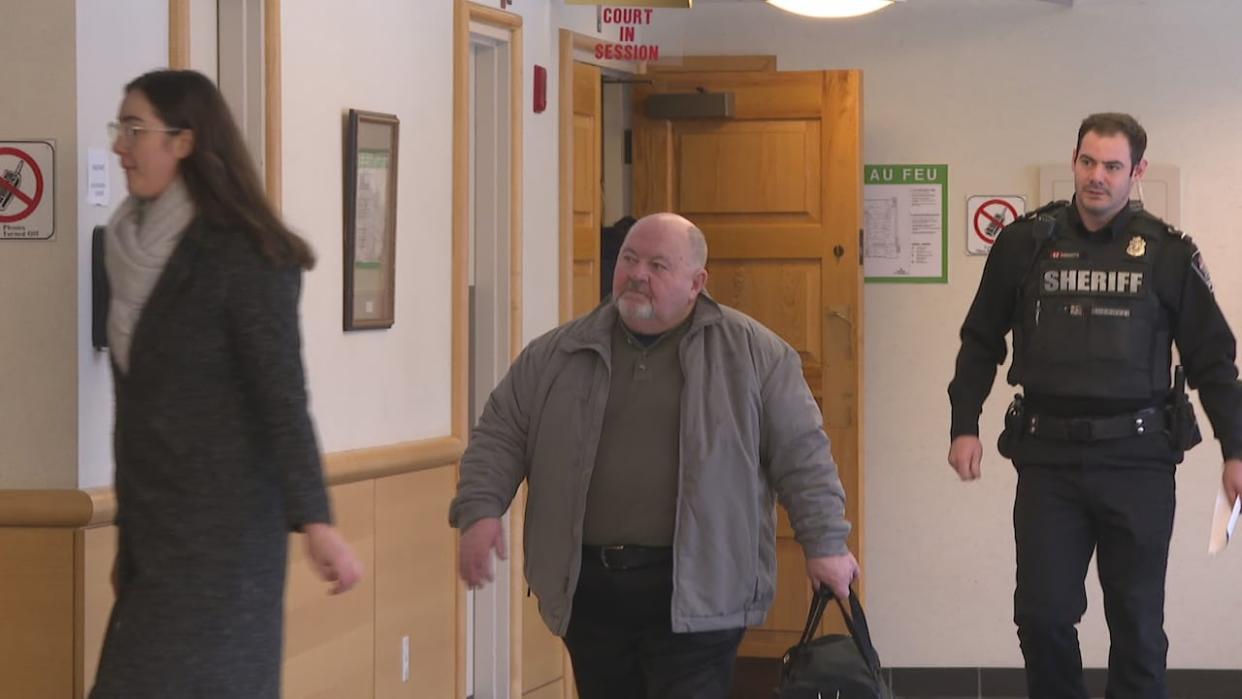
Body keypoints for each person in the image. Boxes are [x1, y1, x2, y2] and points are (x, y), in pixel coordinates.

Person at [450, 212, 858, 699]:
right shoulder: (558, 354)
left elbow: (803, 456)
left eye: (659, 265)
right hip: (590, 590)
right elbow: (500, 434)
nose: (638, 274)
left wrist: (827, 543)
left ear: (696, 282)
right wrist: (480, 511)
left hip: (701, 590)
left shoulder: (754, 355)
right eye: (629, 259)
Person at [947, 112, 1242, 699]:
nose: (1097, 177)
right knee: (1042, 616)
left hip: (1138, 460)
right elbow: (981, 339)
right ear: (1073, 161)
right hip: (1048, 459)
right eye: (1087, 162)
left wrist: (1236, 451)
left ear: (1137, 171)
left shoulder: (1168, 253)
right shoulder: (1026, 243)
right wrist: (964, 425)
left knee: (1135, 625)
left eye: (1112, 166)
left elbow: (1213, 361)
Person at [89, 69, 363, 699]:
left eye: (135, 129)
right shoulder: (127, 249)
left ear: (183, 141)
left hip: (225, 543)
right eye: (120, 129)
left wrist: (316, 521)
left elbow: (282, 398)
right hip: (155, 541)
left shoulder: (244, 256)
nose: (119, 146)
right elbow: (136, 416)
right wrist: (130, 539)